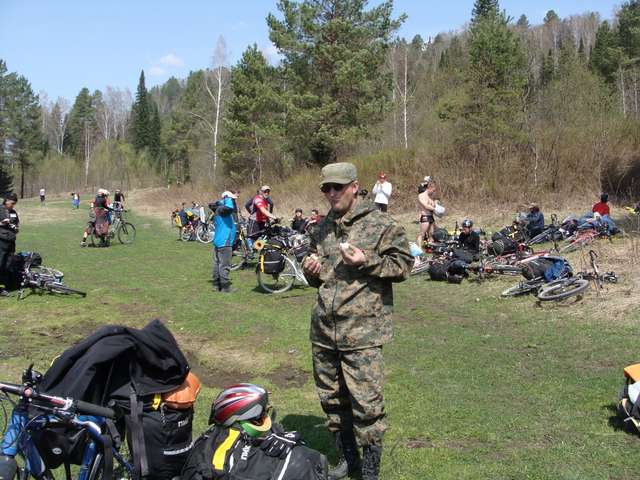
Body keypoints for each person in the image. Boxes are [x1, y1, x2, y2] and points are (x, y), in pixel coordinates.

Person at [302, 162, 412, 480]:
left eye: (337, 187)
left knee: (367, 405)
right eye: (326, 188)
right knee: (332, 401)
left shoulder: (381, 224)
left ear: (354, 187)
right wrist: (311, 272)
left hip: (362, 333)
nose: (331, 193)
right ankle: (349, 461)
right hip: (324, 331)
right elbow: (320, 278)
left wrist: (367, 260)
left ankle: (369, 470)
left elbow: (404, 265)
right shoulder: (321, 228)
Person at [212, 191, 238, 293]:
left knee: (217, 263)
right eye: (232, 199)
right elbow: (230, 207)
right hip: (225, 242)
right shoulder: (223, 209)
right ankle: (225, 287)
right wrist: (227, 198)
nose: (233, 201)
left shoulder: (218, 209)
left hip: (218, 241)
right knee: (225, 265)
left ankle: (216, 285)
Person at [0, 193, 19, 296]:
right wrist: (1, 223)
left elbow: (17, 226)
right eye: (12, 203)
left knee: (7, 266)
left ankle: (3, 288)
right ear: (6, 200)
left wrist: (15, 228)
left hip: (11, 242)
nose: (13, 205)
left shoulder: (14, 213)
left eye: (14, 204)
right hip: (1, 242)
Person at [417, 176, 437, 245]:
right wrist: (435, 209)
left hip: (431, 216)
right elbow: (426, 205)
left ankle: (430, 246)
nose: (433, 192)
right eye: (433, 190)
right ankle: (419, 248)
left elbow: (433, 204)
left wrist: (435, 204)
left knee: (431, 233)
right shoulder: (421, 195)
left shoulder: (429, 196)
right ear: (429, 188)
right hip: (425, 216)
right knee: (422, 234)